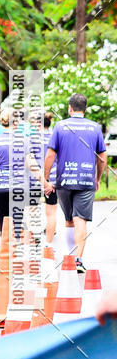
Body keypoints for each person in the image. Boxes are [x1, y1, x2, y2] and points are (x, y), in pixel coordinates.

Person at [44, 94, 107, 273]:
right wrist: (98, 178)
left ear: (70, 108)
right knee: (81, 220)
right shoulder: (95, 128)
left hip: (64, 180)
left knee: (69, 219)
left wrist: (46, 179)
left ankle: (69, 256)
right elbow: (102, 157)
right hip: (86, 179)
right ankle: (78, 259)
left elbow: (50, 155)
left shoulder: (60, 126)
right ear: (85, 109)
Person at [0, 108, 30, 233]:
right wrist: (45, 183)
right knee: (17, 224)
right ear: (16, 122)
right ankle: (16, 249)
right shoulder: (24, 141)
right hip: (19, 187)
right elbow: (31, 166)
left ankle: (4, 248)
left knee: (3, 223)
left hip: (0, 187)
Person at [42, 112, 58, 245]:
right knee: (51, 212)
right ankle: (48, 243)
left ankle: (33, 236)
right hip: (52, 179)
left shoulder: (31, 139)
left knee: (31, 209)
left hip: (33, 180)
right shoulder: (55, 138)